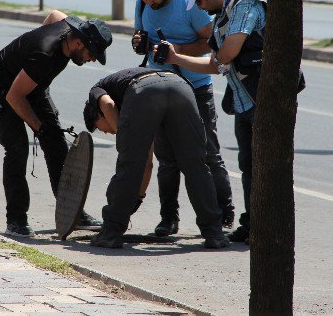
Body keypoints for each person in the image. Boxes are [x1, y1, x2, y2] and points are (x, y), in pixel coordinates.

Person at [161, 0, 267, 244]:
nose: (199, 8)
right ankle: (254, 222)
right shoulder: (222, 15)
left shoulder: (245, 5)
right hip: (244, 99)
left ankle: (267, 225)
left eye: (198, 1)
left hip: (263, 100)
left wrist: (218, 59)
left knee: (264, 166)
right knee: (249, 165)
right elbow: (215, 64)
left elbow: (228, 53)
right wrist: (176, 57)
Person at [0, 11, 112, 237]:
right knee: (17, 149)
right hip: (3, 89)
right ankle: (15, 220)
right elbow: (14, 97)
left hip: (31, 84)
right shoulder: (44, 55)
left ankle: (74, 212)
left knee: (57, 145)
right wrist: (39, 127)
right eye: (91, 53)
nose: (92, 59)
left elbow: (53, 15)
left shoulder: (68, 27)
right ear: (78, 42)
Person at [132, 0, 234, 237]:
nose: (149, 4)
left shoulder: (190, 4)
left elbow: (210, 42)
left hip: (196, 87)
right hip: (161, 88)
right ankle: (169, 218)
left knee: (208, 154)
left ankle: (224, 214)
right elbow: (140, 35)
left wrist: (176, 52)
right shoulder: (143, 5)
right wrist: (139, 42)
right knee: (167, 159)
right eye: (144, 0)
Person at [82, 67, 230, 250]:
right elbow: (147, 164)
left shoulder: (97, 89)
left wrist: (124, 139)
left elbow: (109, 105)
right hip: (181, 86)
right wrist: (138, 197)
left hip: (145, 90)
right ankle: (214, 234)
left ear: (97, 114)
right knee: (196, 165)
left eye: (101, 128)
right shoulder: (126, 93)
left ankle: (110, 234)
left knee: (128, 166)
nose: (106, 132)